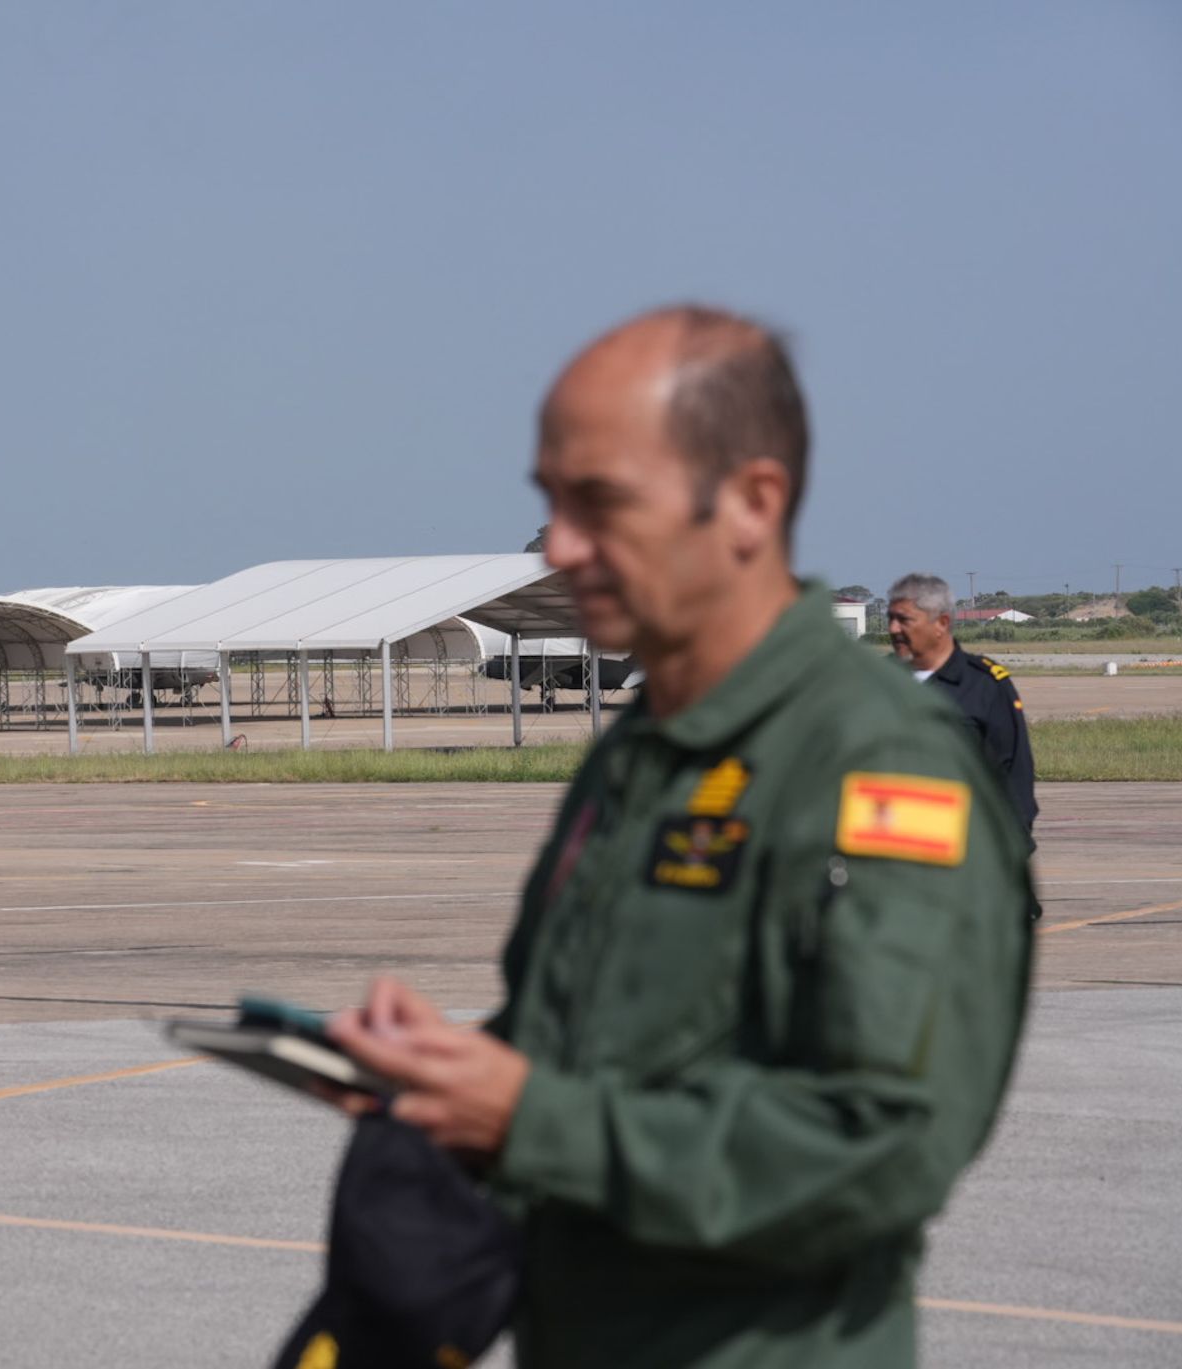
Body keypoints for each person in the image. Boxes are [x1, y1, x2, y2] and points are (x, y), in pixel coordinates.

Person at [324, 305, 1033, 1369]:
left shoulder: (875, 765)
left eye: (598, 500)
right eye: (549, 502)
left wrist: (534, 1123)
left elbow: (882, 1144)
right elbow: (608, 1044)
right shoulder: (644, 752)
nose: (557, 545)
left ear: (750, 502)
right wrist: (454, 1069)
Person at [885, 573, 1038, 833]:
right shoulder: (875, 680)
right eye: (891, 619)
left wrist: (1008, 856)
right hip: (887, 849)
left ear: (941, 623)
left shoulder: (985, 686)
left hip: (963, 851)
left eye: (904, 620)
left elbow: (1015, 778)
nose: (893, 629)